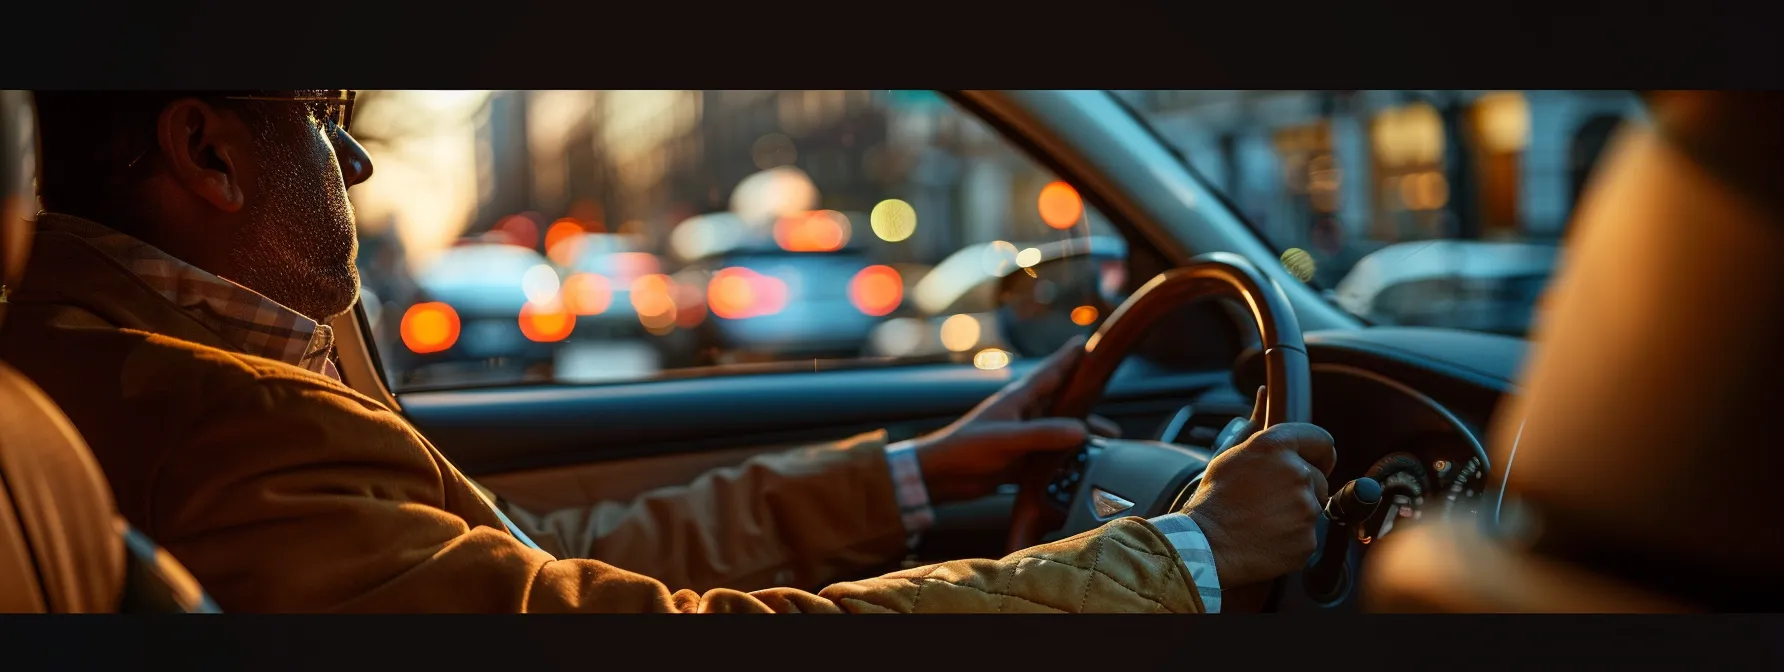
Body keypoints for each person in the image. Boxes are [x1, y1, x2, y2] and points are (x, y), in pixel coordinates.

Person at [0, 90, 1336, 613]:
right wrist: (1180, 557)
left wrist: (918, 479)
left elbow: (525, 563)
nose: (351, 156)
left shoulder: (177, 369)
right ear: (209, 153)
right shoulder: (202, 414)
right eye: (322, 118)